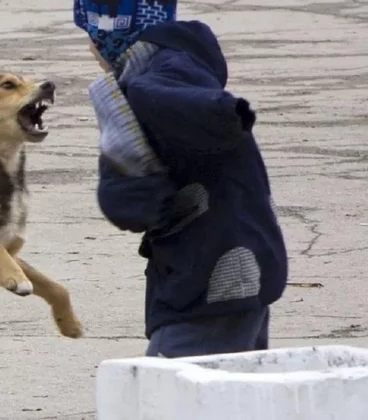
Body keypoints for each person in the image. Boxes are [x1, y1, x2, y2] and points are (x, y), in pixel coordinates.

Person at [73, 0, 288, 357]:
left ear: (110, 32)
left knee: (168, 394)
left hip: (212, 280)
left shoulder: (151, 86)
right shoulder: (178, 62)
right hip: (237, 263)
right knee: (237, 395)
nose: (88, 47)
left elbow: (131, 204)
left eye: (89, 35)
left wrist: (220, 113)